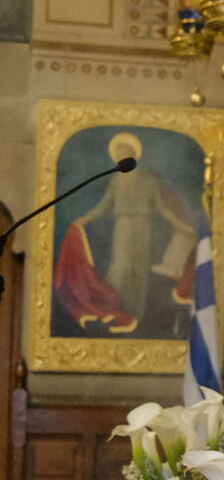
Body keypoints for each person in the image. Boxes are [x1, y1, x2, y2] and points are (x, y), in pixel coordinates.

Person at [53, 132, 198, 337]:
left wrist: (181, 226)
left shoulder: (148, 179)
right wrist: (85, 219)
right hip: (123, 226)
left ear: (133, 156)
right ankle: (121, 312)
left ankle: (137, 316)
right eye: (119, 154)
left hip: (143, 227)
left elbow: (162, 208)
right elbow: (104, 205)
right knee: (120, 267)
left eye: (125, 154)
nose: (121, 157)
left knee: (139, 270)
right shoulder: (116, 179)